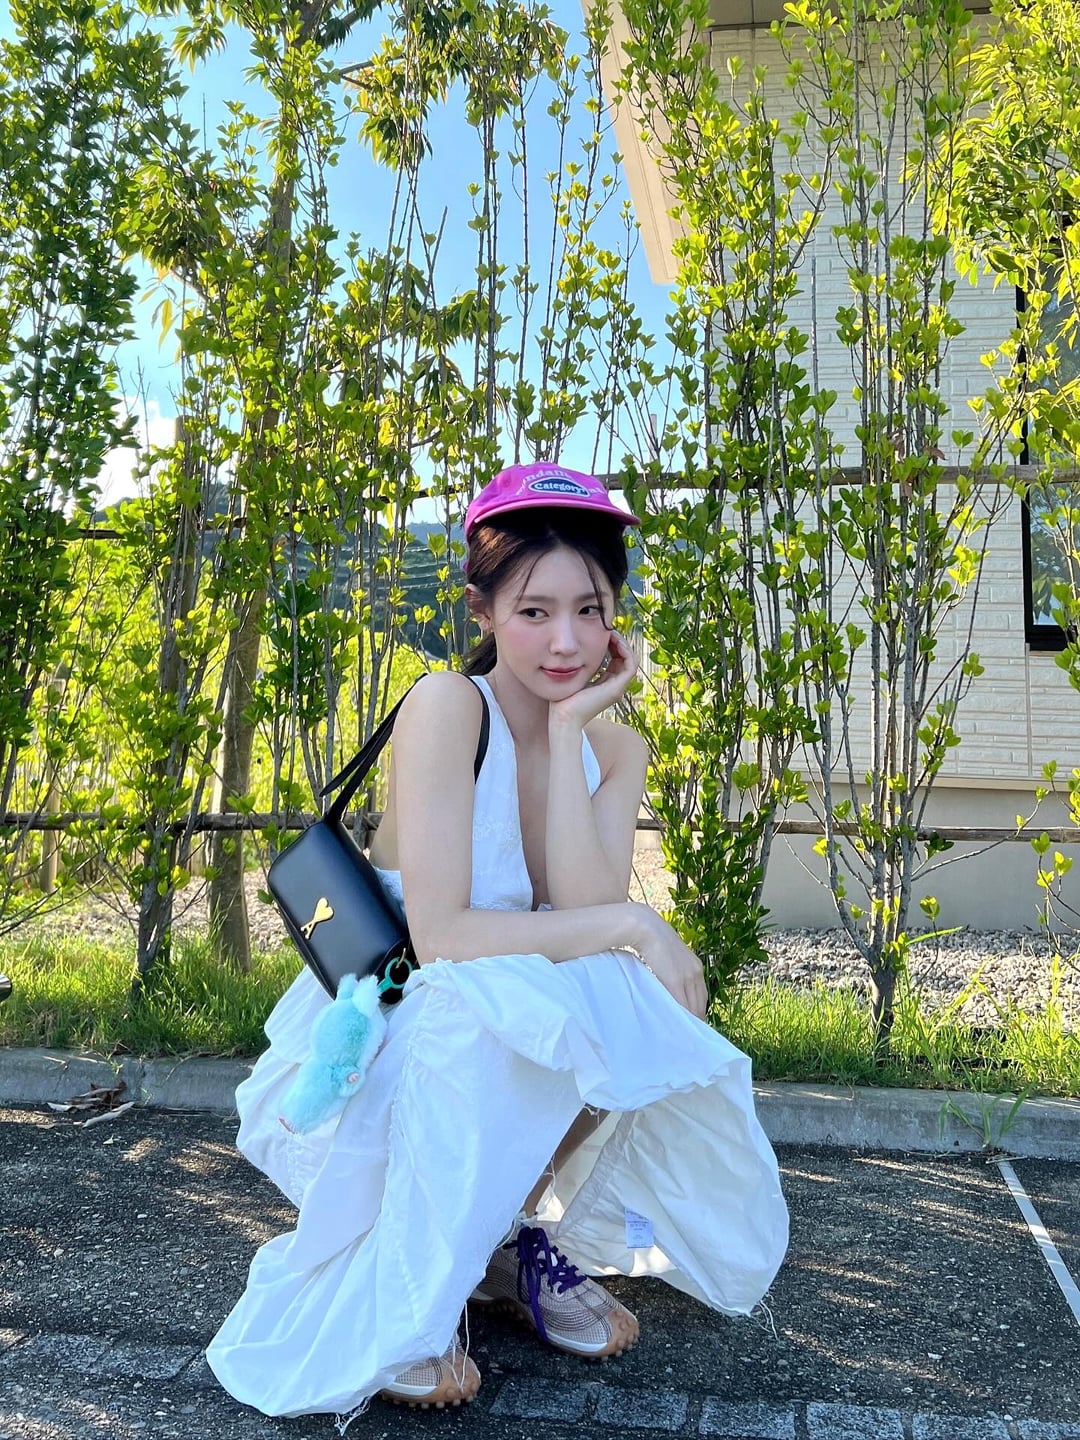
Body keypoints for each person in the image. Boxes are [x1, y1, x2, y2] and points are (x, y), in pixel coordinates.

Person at [206, 461, 788, 1420]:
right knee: (500, 1003)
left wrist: (568, 732)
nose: (566, 641)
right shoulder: (447, 704)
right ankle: (416, 1280)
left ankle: (496, 1243)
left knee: (618, 999)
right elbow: (443, 938)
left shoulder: (614, 744)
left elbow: (579, 901)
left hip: (492, 986)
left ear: (616, 618)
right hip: (404, 998)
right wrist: (641, 923)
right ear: (482, 609)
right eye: (534, 612)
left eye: (590, 611)